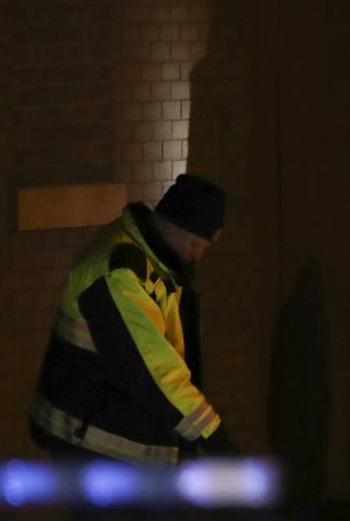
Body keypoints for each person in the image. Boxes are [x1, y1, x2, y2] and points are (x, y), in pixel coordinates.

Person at [29, 173, 238, 463]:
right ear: (173, 226)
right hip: (92, 446)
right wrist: (213, 438)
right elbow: (153, 370)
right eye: (195, 245)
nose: (198, 258)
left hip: (104, 438)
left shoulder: (153, 260)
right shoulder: (121, 272)